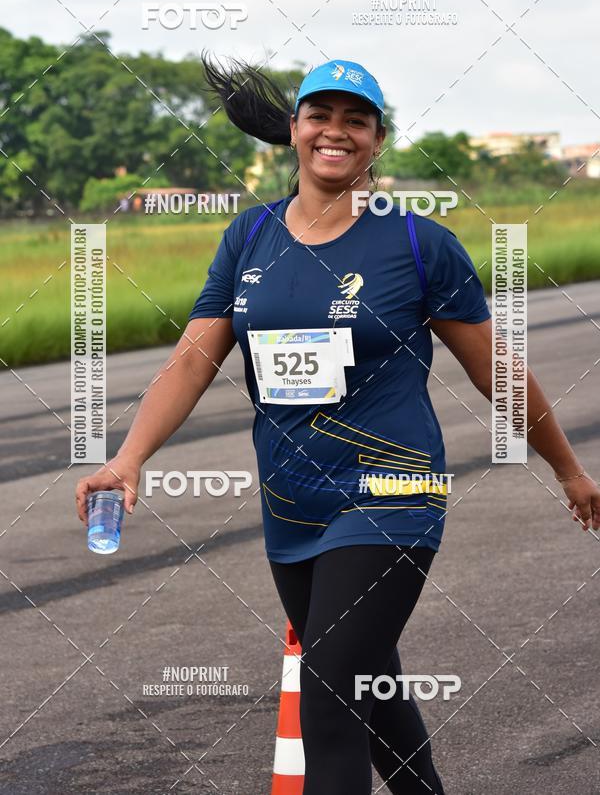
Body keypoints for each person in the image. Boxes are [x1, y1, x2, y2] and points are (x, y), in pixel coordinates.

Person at [76, 56, 600, 794]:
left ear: (378, 139)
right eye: (320, 115)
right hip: (292, 502)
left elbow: (498, 371)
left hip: (392, 492)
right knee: (369, 687)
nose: (336, 131)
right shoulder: (249, 236)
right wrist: (128, 457)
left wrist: (568, 469)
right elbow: (192, 361)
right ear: (294, 128)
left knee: (327, 696)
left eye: (357, 120)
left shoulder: (418, 244)